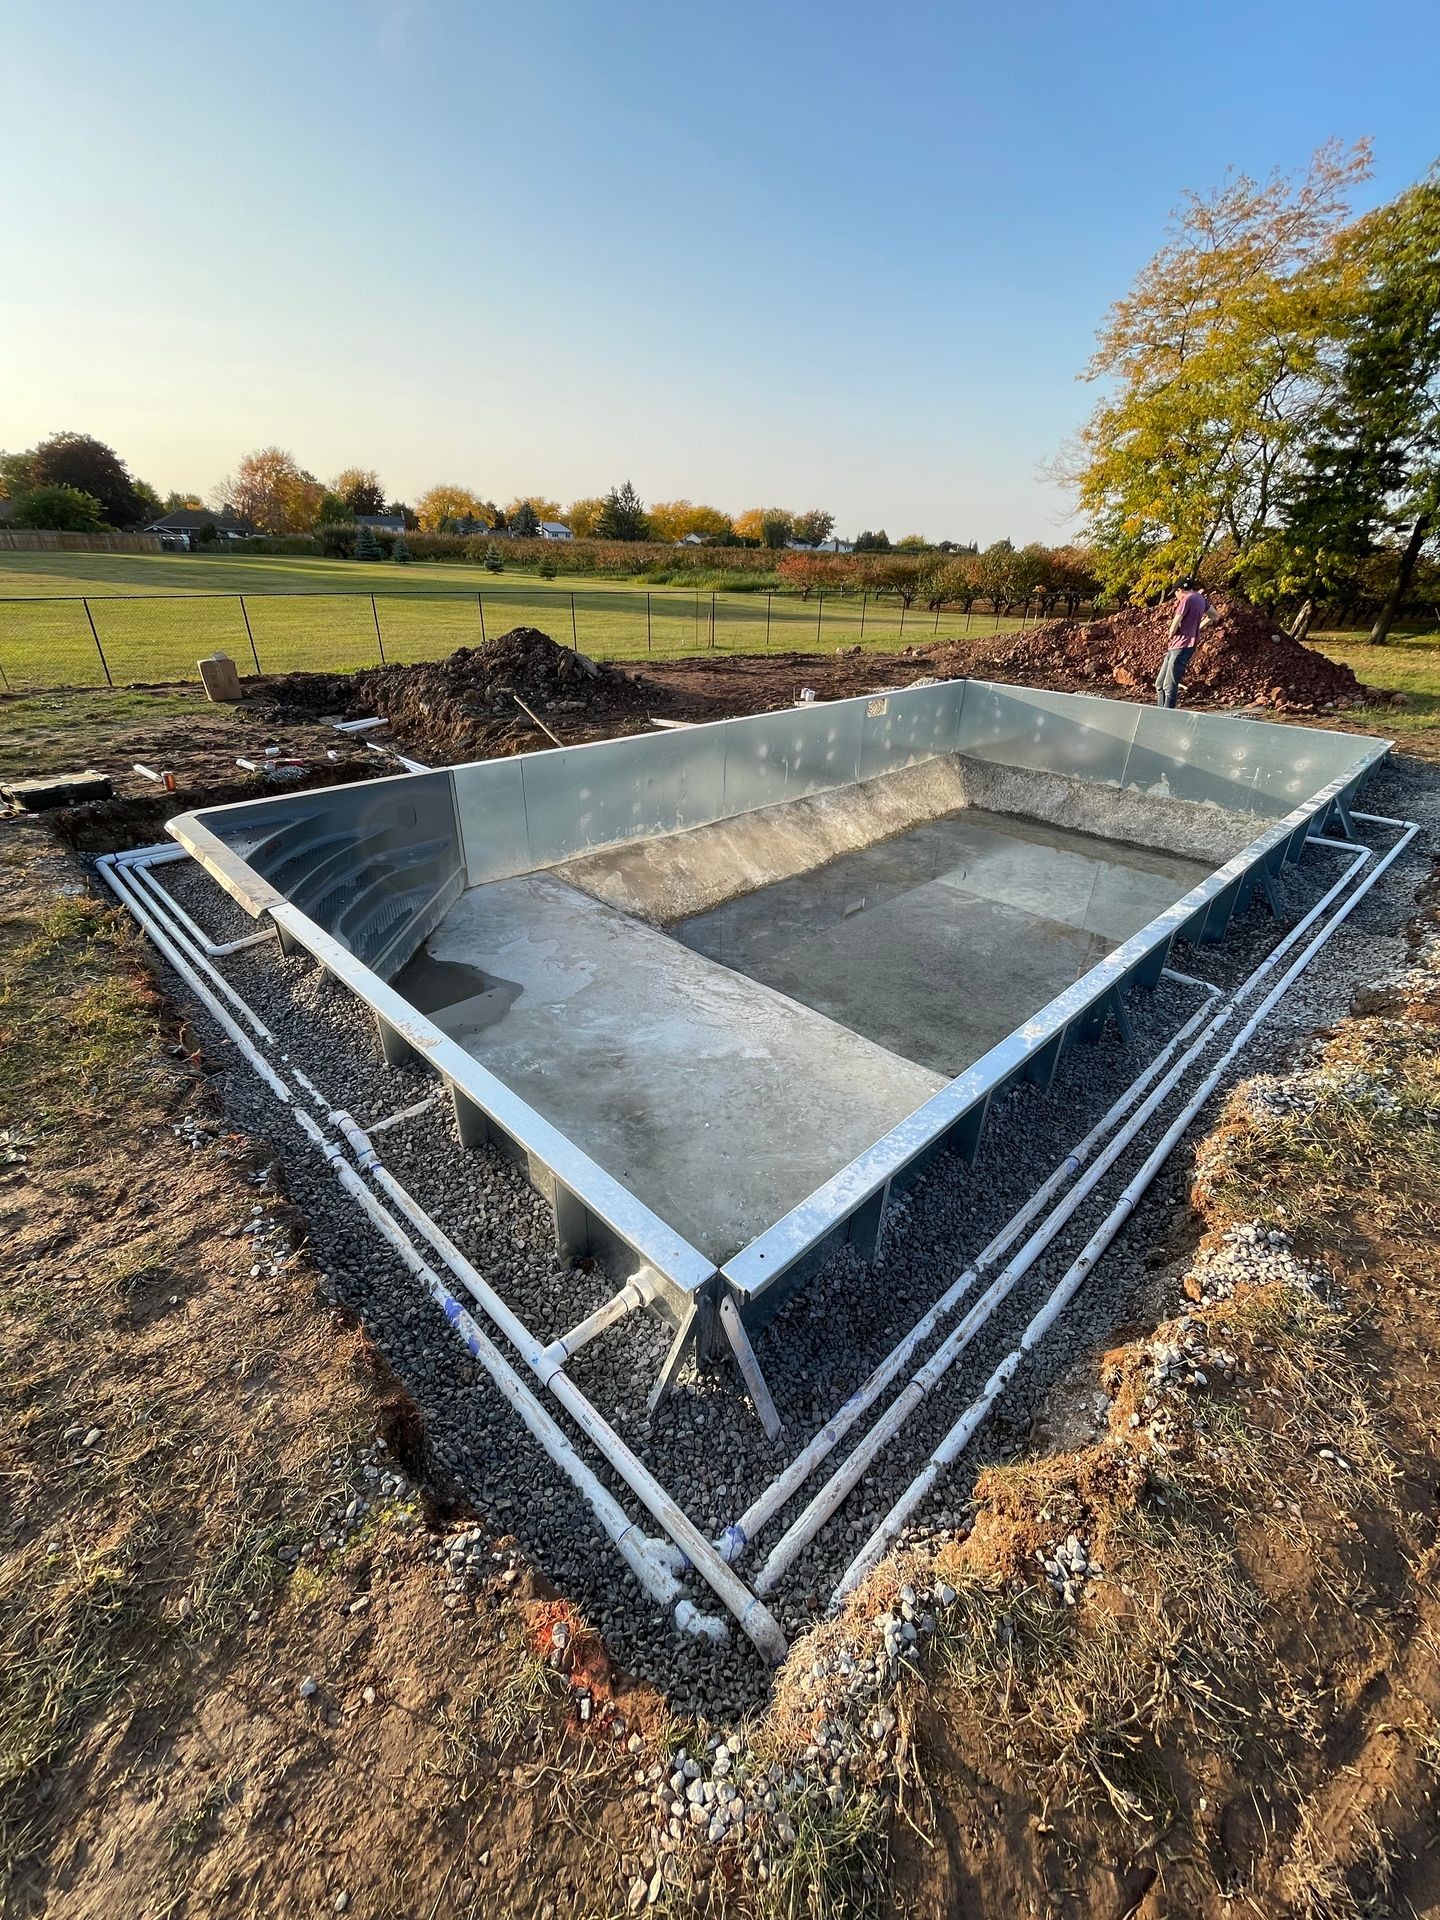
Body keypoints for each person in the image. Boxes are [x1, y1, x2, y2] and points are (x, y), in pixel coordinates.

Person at [1155, 577, 1211, 709]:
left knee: (1168, 686)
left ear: (1180, 590)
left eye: (1175, 592)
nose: (1175, 595)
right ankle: (1159, 712)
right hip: (1179, 647)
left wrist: (1169, 634)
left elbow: (1175, 623)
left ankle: (1167, 716)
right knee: (1160, 684)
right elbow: (1214, 615)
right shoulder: (1200, 598)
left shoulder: (1186, 600)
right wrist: (1196, 628)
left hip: (1181, 646)